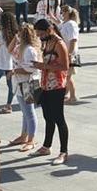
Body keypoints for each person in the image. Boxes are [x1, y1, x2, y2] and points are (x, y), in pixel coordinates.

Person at [30, 19, 70, 165]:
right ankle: (46, 146)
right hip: (46, 85)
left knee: (59, 118)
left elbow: (65, 66)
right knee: (48, 117)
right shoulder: (47, 42)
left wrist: (43, 66)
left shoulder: (59, 44)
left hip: (57, 86)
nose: (39, 36)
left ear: (48, 30)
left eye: (40, 33)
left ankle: (64, 152)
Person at [7, 23, 41, 152]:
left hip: (28, 83)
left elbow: (32, 68)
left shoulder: (29, 50)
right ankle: (23, 135)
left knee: (30, 113)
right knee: (24, 112)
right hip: (19, 83)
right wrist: (15, 38)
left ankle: (31, 139)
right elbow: (9, 50)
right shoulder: (19, 46)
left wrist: (15, 71)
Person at [59, 6, 80, 103]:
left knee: (67, 76)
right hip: (65, 52)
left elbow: (73, 39)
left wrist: (70, 54)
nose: (62, 13)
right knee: (66, 75)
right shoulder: (66, 23)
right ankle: (67, 94)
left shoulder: (71, 24)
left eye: (63, 12)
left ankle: (73, 96)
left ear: (68, 13)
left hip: (70, 53)